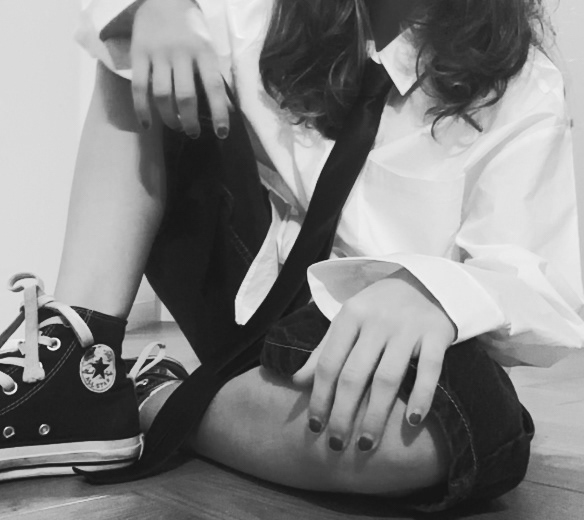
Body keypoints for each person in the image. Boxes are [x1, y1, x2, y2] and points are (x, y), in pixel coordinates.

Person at [1, 0, 583, 512]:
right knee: (145, 42)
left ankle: (150, 396)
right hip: (240, 282)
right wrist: (157, 8)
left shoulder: (523, 86)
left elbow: (540, 284)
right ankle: (77, 361)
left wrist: (431, 292)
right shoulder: (269, 13)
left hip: (354, 351)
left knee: (464, 429)